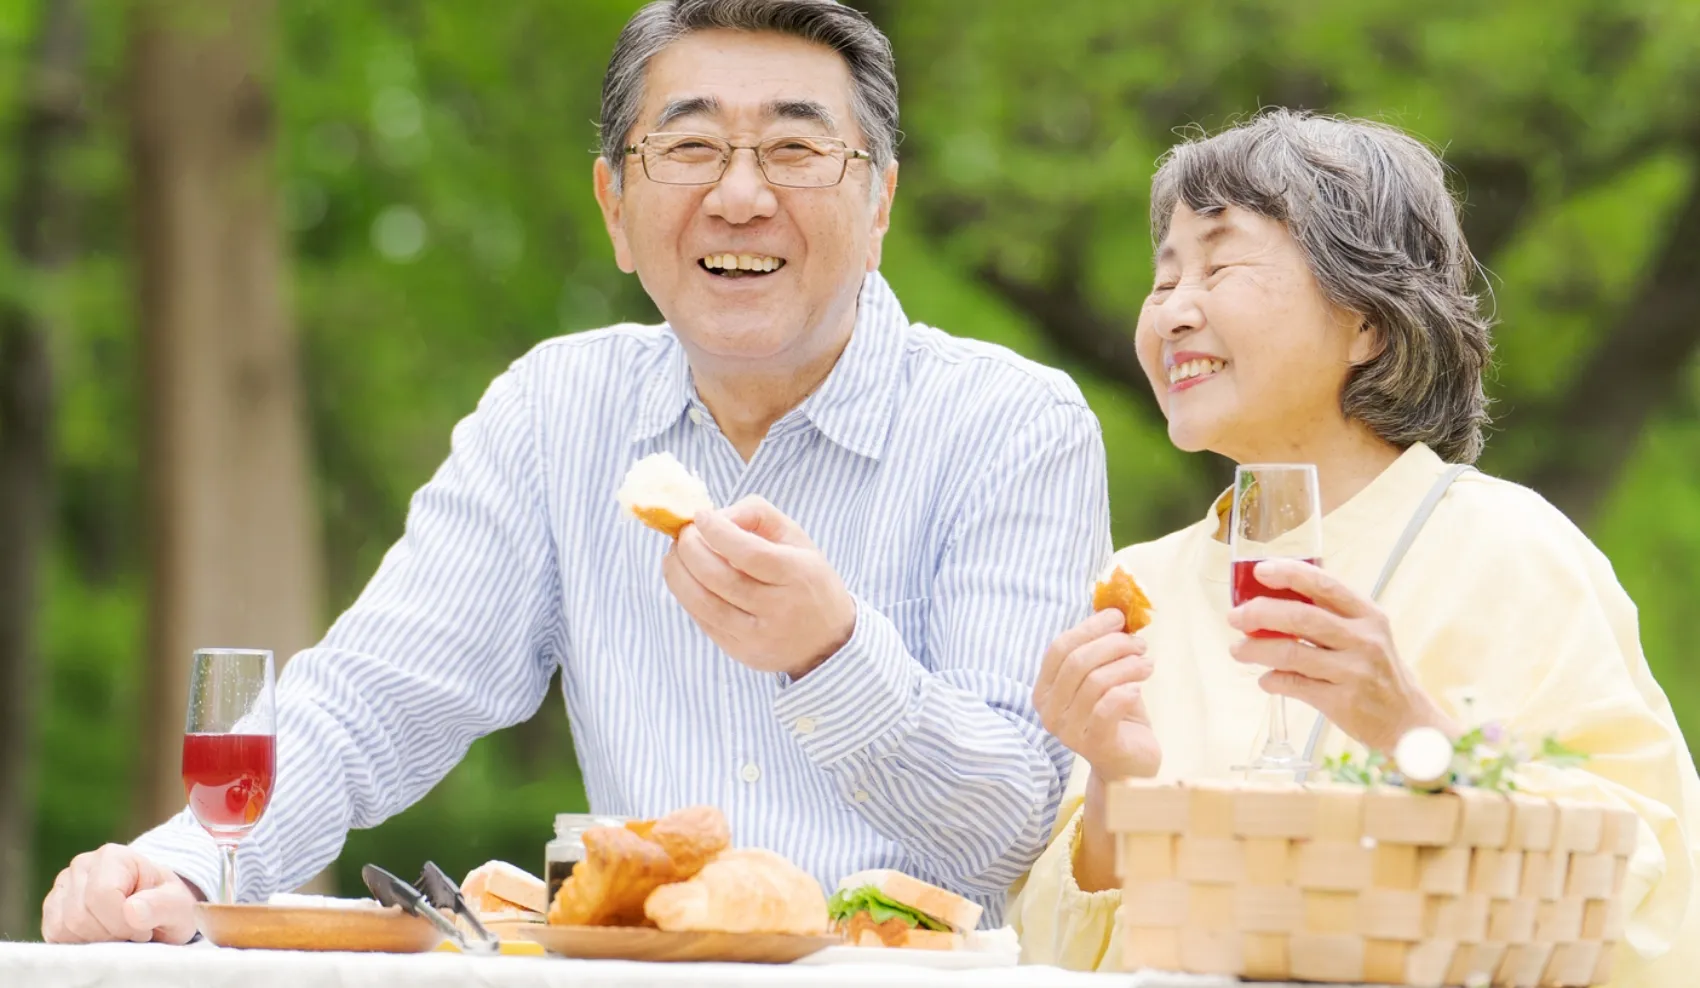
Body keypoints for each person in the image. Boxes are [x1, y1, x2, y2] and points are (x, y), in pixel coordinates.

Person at [43, 0, 1107, 944]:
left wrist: (831, 654)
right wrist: (182, 864)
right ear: (613, 207)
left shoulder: (1013, 426)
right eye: (688, 147)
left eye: (794, 147)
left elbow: (1016, 825)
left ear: (877, 204)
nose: (740, 194)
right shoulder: (557, 413)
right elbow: (371, 698)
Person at [1012, 109, 1700, 985]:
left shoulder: (1513, 552)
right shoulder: (1137, 583)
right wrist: (1117, 783)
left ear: (1367, 319)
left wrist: (1409, 732)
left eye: (1220, 268)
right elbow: (1055, 950)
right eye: (1164, 277)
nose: (1173, 311)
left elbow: (1643, 887)